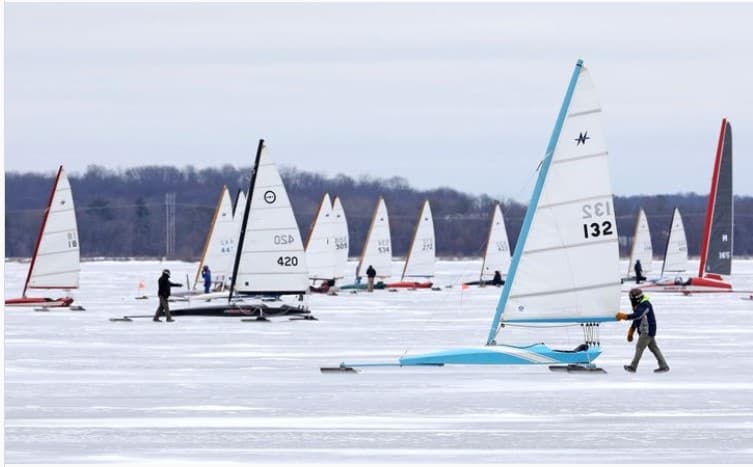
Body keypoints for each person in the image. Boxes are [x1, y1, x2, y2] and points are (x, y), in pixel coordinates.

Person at [616, 288, 670, 373]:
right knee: (654, 349)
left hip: (647, 331)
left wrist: (625, 316)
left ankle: (633, 367)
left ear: (636, 298)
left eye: (632, 298)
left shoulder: (645, 304)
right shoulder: (639, 304)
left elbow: (638, 315)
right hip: (648, 330)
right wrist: (632, 330)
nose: (631, 300)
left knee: (639, 347)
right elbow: (637, 319)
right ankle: (664, 366)